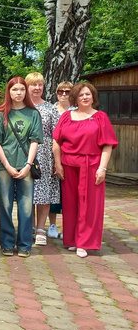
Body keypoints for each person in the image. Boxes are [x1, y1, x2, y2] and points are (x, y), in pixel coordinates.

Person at [53, 83, 117, 258]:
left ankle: (84, 242)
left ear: (93, 97)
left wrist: (102, 168)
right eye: (81, 95)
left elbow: (108, 144)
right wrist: (58, 164)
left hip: (91, 165)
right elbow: (56, 141)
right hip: (68, 165)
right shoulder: (66, 117)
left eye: (88, 94)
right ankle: (73, 240)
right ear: (75, 98)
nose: (85, 97)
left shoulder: (100, 117)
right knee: (71, 204)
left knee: (89, 204)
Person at [0, 77, 43, 258]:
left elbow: (35, 140)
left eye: (21, 89)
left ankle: (25, 244)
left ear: (25, 92)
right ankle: (7, 243)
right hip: (4, 166)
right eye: (14, 89)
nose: (18, 93)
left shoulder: (33, 114)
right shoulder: (0, 115)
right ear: (9, 92)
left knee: (26, 206)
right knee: (4, 205)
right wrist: (7, 165)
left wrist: (28, 164)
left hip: (25, 165)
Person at [25, 72, 61, 247]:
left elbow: (57, 136)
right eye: (33, 84)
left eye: (40, 84)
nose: (37, 88)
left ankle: (40, 228)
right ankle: (29, 227)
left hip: (45, 154)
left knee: (44, 193)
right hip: (24, 153)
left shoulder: (51, 108)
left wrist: (57, 160)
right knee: (27, 191)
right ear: (27, 86)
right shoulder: (21, 107)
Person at [47, 81, 73, 239]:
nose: (63, 94)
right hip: (51, 154)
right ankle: (52, 224)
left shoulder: (76, 110)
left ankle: (69, 226)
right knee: (53, 191)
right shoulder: (51, 109)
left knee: (69, 193)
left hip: (70, 154)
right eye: (60, 91)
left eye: (67, 91)